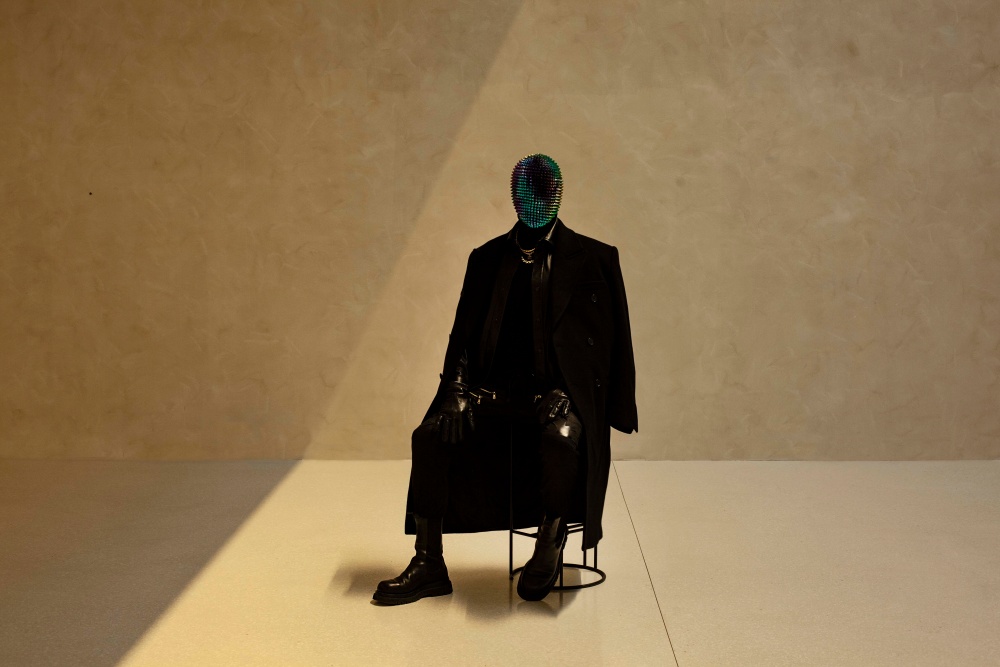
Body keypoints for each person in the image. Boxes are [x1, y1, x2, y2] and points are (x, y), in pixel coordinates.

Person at [373, 154, 637, 605]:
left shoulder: (595, 258)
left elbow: (611, 345)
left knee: (562, 438)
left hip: (557, 398)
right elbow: (462, 334)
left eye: (542, 192)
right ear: (514, 196)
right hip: (491, 395)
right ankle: (429, 563)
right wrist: (456, 390)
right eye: (526, 192)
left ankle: (550, 540)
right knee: (430, 435)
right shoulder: (486, 258)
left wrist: (576, 396)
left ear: (557, 194)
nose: (534, 201)